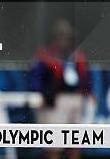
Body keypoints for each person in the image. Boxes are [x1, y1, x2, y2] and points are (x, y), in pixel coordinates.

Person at [29, 18, 92, 159]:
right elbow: (35, 79)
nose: (64, 40)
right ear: (54, 37)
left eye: (67, 37)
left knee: (76, 141)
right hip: (55, 101)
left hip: (76, 99)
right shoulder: (44, 56)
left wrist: (88, 93)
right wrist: (40, 95)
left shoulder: (77, 55)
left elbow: (85, 78)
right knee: (54, 142)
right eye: (61, 36)